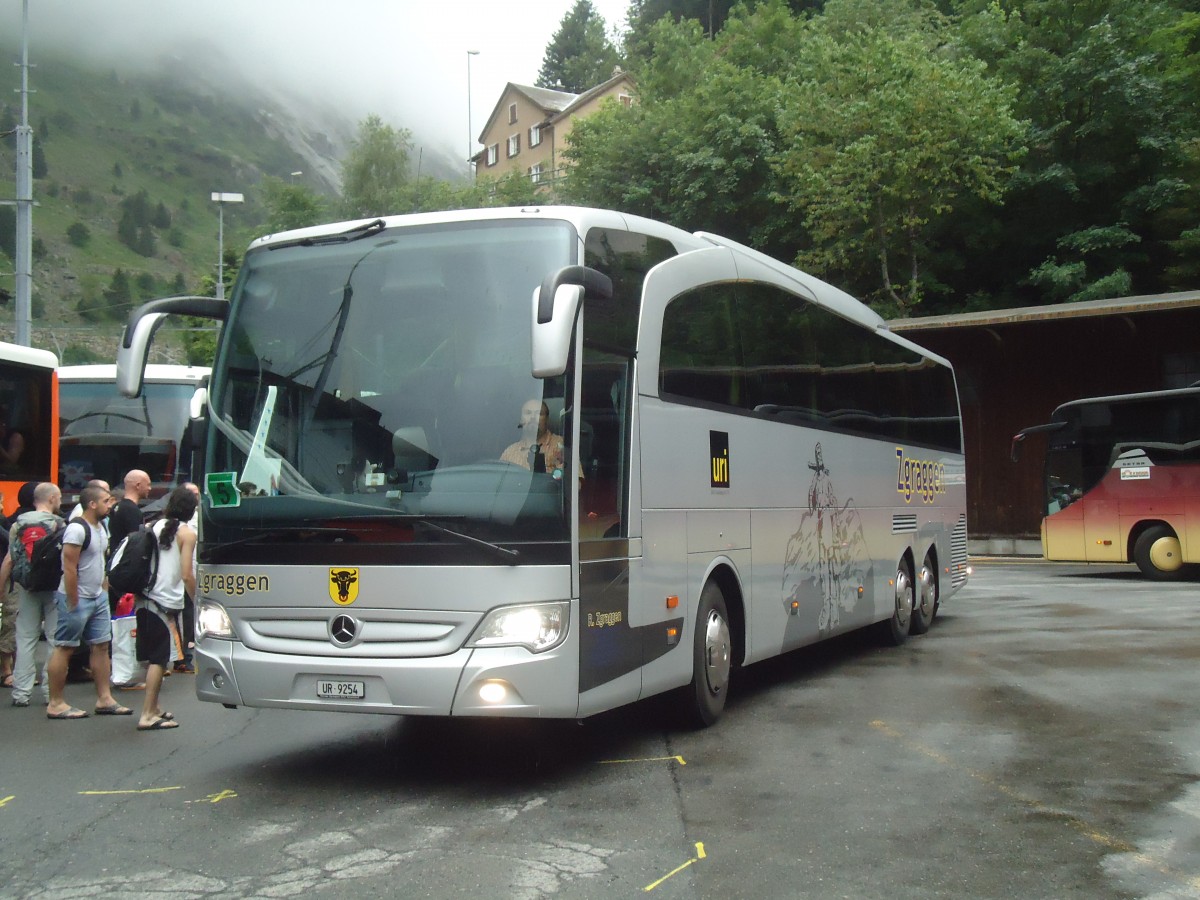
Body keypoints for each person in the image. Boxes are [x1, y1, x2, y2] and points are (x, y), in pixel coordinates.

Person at [45, 484, 128, 720]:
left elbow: (100, 559)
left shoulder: (101, 526)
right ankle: (56, 703)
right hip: (77, 597)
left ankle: (105, 699)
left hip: (97, 597)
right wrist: (73, 599)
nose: (110, 505)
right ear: (92, 504)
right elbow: (69, 567)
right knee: (66, 646)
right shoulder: (76, 529)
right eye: (106, 501)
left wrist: (102, 589)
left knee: (101, 645)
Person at [135, 486, 197, 731]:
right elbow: (186, 574)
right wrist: (198, 599)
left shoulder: (155, 526)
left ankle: (155, 707)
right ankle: (148, 714)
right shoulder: (187, 534)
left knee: (154, 658)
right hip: (166, 601)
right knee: (160, 660)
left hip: (146, 596)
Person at [2, 483, 63, 706]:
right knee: (55, 640)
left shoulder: (18, 525)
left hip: (26, 587)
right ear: (52, 499)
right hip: (54, 587)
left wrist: (1, 590)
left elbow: (9, 560)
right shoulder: (58, 524)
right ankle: (50, 692)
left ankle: (21, 693)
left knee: (25, 639)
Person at [0, 480, 37, 688]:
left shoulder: (11, 521)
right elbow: (9, 556)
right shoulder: (16, 525)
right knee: (10, 621)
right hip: (12, 580)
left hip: (11, 579)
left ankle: (12, 668)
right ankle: (7, 670)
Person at [172, 481, 201, 674]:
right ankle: (181, 657)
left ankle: (183, 656)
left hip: (192, 572)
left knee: (187, 619)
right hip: (178, 578)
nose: (197, 498)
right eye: (193, 495)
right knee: (182, 618)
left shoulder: (200, 518)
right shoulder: (180, 529)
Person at [500, 400, 565, 474]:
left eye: (539, 413)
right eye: (528, 413)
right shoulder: (510, 452)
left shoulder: (560, 445)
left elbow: (575, 482)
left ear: (547, 419)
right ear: (521, 419)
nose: (533, 417)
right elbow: (499, 481)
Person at [108, 470, 151, 554]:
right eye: (148, 485)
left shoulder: (117, 506)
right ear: (138, 485)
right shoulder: (132, 511)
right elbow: (136, 543)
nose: (150, 488)